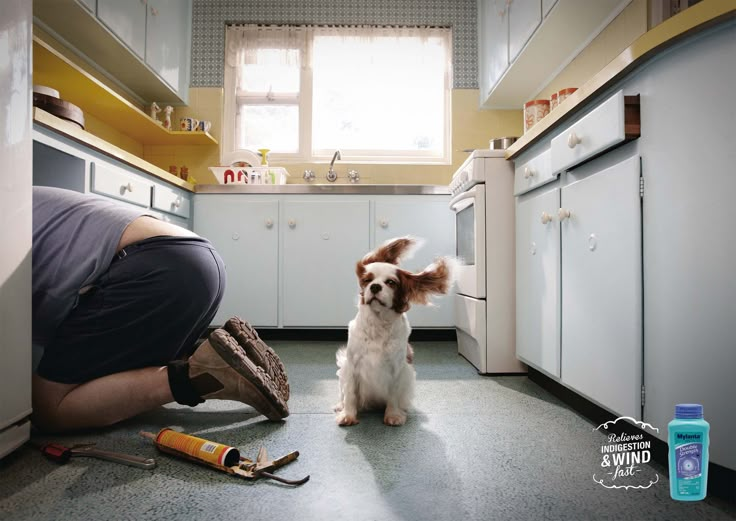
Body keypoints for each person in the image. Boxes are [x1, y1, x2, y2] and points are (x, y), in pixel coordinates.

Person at [31, 186, 289, 432]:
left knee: (48, 406)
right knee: (106, 380)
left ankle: (204, 373)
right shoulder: (22, 195)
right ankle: (208, 353)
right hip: (200, 259)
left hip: (155, 269)